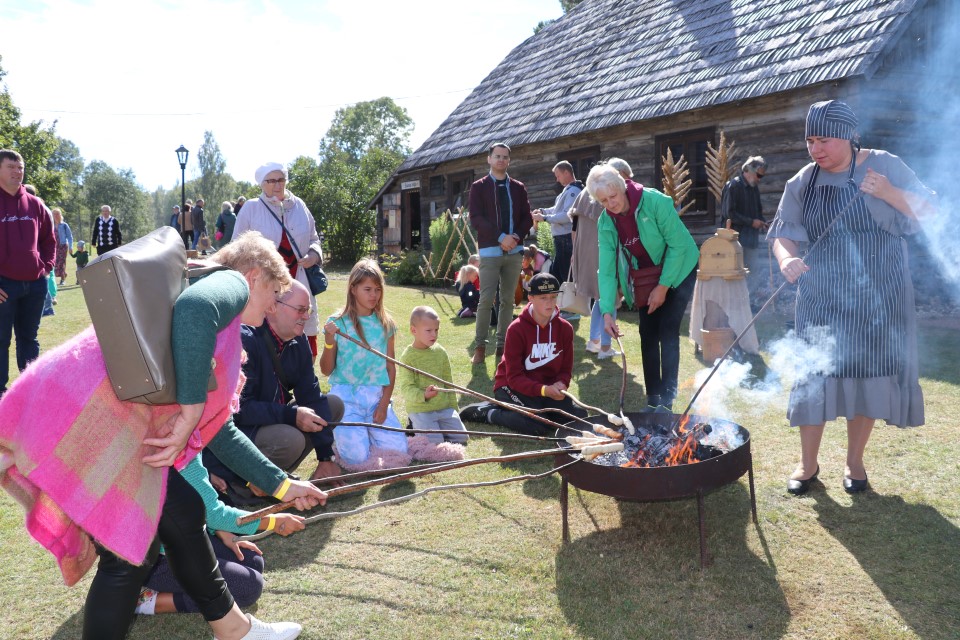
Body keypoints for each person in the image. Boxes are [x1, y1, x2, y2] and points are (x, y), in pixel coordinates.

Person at [0, 230, 328, 639]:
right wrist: (190, 408)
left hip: (88, 414)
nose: (273, 302)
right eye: (275, 290)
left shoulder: (219, 314)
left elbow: (220, 431)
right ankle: (236, 631)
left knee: (164, 528)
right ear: (255, 276)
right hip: (89, 414)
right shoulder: (228, 283)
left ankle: (235, 630)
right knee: (137, 548)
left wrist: (282, 486)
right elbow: (193, 312)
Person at [767, 100, 936, 496]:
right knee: (813, 376)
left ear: (848, 136)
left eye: (823, 139)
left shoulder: (885, 164)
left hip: (879, 297)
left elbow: (930, 210)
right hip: (821, 297)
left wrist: (890, 192)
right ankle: (808, 464)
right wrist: (787, 256)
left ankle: (854, 462)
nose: (815, 148)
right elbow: (782, 232)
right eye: (810, 140)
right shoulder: (804, 181)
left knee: (867, 374)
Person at [204, 279, 345, 498]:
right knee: (289, 439)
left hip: (268, 422)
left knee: (332, 405)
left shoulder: (299, 342)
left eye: (307, 310)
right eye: (300, 310)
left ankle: (275, 478)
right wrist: (290, 415)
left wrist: (326, 457)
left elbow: (311, 396)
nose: (306, 317)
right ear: (273, 306)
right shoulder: (245, 340)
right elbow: (240, 411)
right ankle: (243, 482)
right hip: (236, 435)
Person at [588, 162, 699, 411]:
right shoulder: (606, 222)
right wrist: (606, 311)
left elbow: (678, 246)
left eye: (613, 196)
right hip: (645, 276)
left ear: (622, 187)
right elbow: (606, 270)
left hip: (680, 267)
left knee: (668, 329)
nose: (611, 204)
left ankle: (667, 403)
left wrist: (663, 287)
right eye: (604, 201)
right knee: (647, 333)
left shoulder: (655, 202)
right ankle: (653, 401)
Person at [136, 452, 306, 616]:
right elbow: (214, 514)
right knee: (247, 588)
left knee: (252, 560)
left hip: (180, 535)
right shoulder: (180, 445)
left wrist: (220, 531)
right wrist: (273, 522)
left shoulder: (185, 439)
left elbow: (197, 504)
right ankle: (147, 600)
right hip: (153, 557)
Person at [459, 273, 586, 435]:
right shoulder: (516, 329)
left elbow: (565, 369)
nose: (550, 303)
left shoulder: (565, 328)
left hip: (544, 389)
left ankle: (533, 409)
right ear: (531, 298)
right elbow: (514, 378)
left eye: (553, 297)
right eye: (543, 298)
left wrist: (561, 384)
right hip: (511, 387)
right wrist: (544, 390)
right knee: (538, 425)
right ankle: (490, 413)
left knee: (580, 417)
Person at [320, 259, 410, 471]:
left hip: (376, 398)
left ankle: (365, 433)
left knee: (399, 451)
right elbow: (325, 370)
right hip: (346, 399)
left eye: (377, 289)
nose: (373, 295)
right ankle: (342, 435)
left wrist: (383, 403)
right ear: (353, 289)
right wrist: (329, 341)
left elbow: (390, 367)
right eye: (367, 289)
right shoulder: (338, 323)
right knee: (356, 459)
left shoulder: (386, 324)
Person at [235, 162, 325, 357]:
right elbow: (237, 248)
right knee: (265, 336)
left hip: (298, 282)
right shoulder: (251, 208)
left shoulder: (299, 205)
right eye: (271, 181)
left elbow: (314, 239)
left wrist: (314, 255)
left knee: (302, 332)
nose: (277, 185)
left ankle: (302, 376)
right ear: (262, 184)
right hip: (265, 286)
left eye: (281, 179)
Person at [468, 143, 533, 364]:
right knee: (486, 299)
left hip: (514, 250)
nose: (501, 160)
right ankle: (479, 347)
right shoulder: (479, 187)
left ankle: (503, 347)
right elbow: (476, 218)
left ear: (509, 160)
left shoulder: (518, 187)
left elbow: (527, 217)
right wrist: (500, 237)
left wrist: (514, 236)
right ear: (489, 159)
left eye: (505, 157)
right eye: (497, 156)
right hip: (490, 250)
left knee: (507, 300)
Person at [0, 149, 56, 399]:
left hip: (34, 285)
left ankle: (30, 391)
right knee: (1, 340)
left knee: (29, 339)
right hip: (4, 286)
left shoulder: (35, 204)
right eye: (11, 166)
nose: (17, 171)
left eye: (20, 167)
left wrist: (46, 267)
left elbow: (49, 239)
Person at [572, 158, 632, 361]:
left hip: (585, 252)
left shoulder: (584, 192)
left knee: (600, 297)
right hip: (602, 253)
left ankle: (594, 341)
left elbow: (574, 227)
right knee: (609, 296)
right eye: (624, 178)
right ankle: (605, 347)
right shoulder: (604, 195)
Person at [398, 306, 468, 459]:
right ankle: (413, 428)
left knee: (462, 438)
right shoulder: (408, 356)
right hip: (421, 409)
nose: (434, 334)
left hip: (443, 408)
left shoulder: (440, 352)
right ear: (413, 330)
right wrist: (424, 394)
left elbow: (448, 383)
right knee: (434, 445)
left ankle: (434, 430)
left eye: (436, 330)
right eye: (428, 331)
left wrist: (454, 410)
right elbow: (406, 388)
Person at [532, 161, 582, 301]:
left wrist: (544, 218)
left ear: (567, 173)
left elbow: (567, 215)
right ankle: (561, 303)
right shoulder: (566, 191)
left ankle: (572, 306)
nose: (557, 179)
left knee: (566, 273)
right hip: (560, 239)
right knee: (557, 273)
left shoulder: (574, 191)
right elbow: (556, 209)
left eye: (558, 175)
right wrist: (542, 211)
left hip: (567, 238)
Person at [722, 155, 769, 298]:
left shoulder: (754, 189)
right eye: (758, 175)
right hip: (736, 241)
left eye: (762, 176)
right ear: (748, 170)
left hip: (751, 240)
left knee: (752, 273)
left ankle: (748, 304)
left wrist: (762, 222)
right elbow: (728, 214)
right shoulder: (733, 186)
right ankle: (735, 304)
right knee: (736, 275)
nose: (759, 179)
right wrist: (751, 222)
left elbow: (758, 212)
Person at [52, 207, 74, 286]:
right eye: (54, 214)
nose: (56, 215)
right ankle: (63, 274)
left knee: (61, 262)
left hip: (63, 246)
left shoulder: (64, 225)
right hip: (53, 246)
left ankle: (62, 279)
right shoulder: (51, 225)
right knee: (54, 262)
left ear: (60, 215)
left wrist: (71, 247)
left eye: (57, 214)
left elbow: (70, 237)